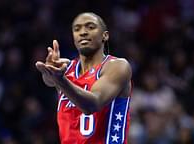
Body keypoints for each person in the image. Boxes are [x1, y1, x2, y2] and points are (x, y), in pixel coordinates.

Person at [36, 12, 132, 144]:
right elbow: (48, 81)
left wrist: (59, 79)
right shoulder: (66, 69)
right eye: (77, 29)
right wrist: (49, 72)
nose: (83, 32)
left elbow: (92, 105)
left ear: (105, 35)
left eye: (90, 27)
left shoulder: (118, 66)